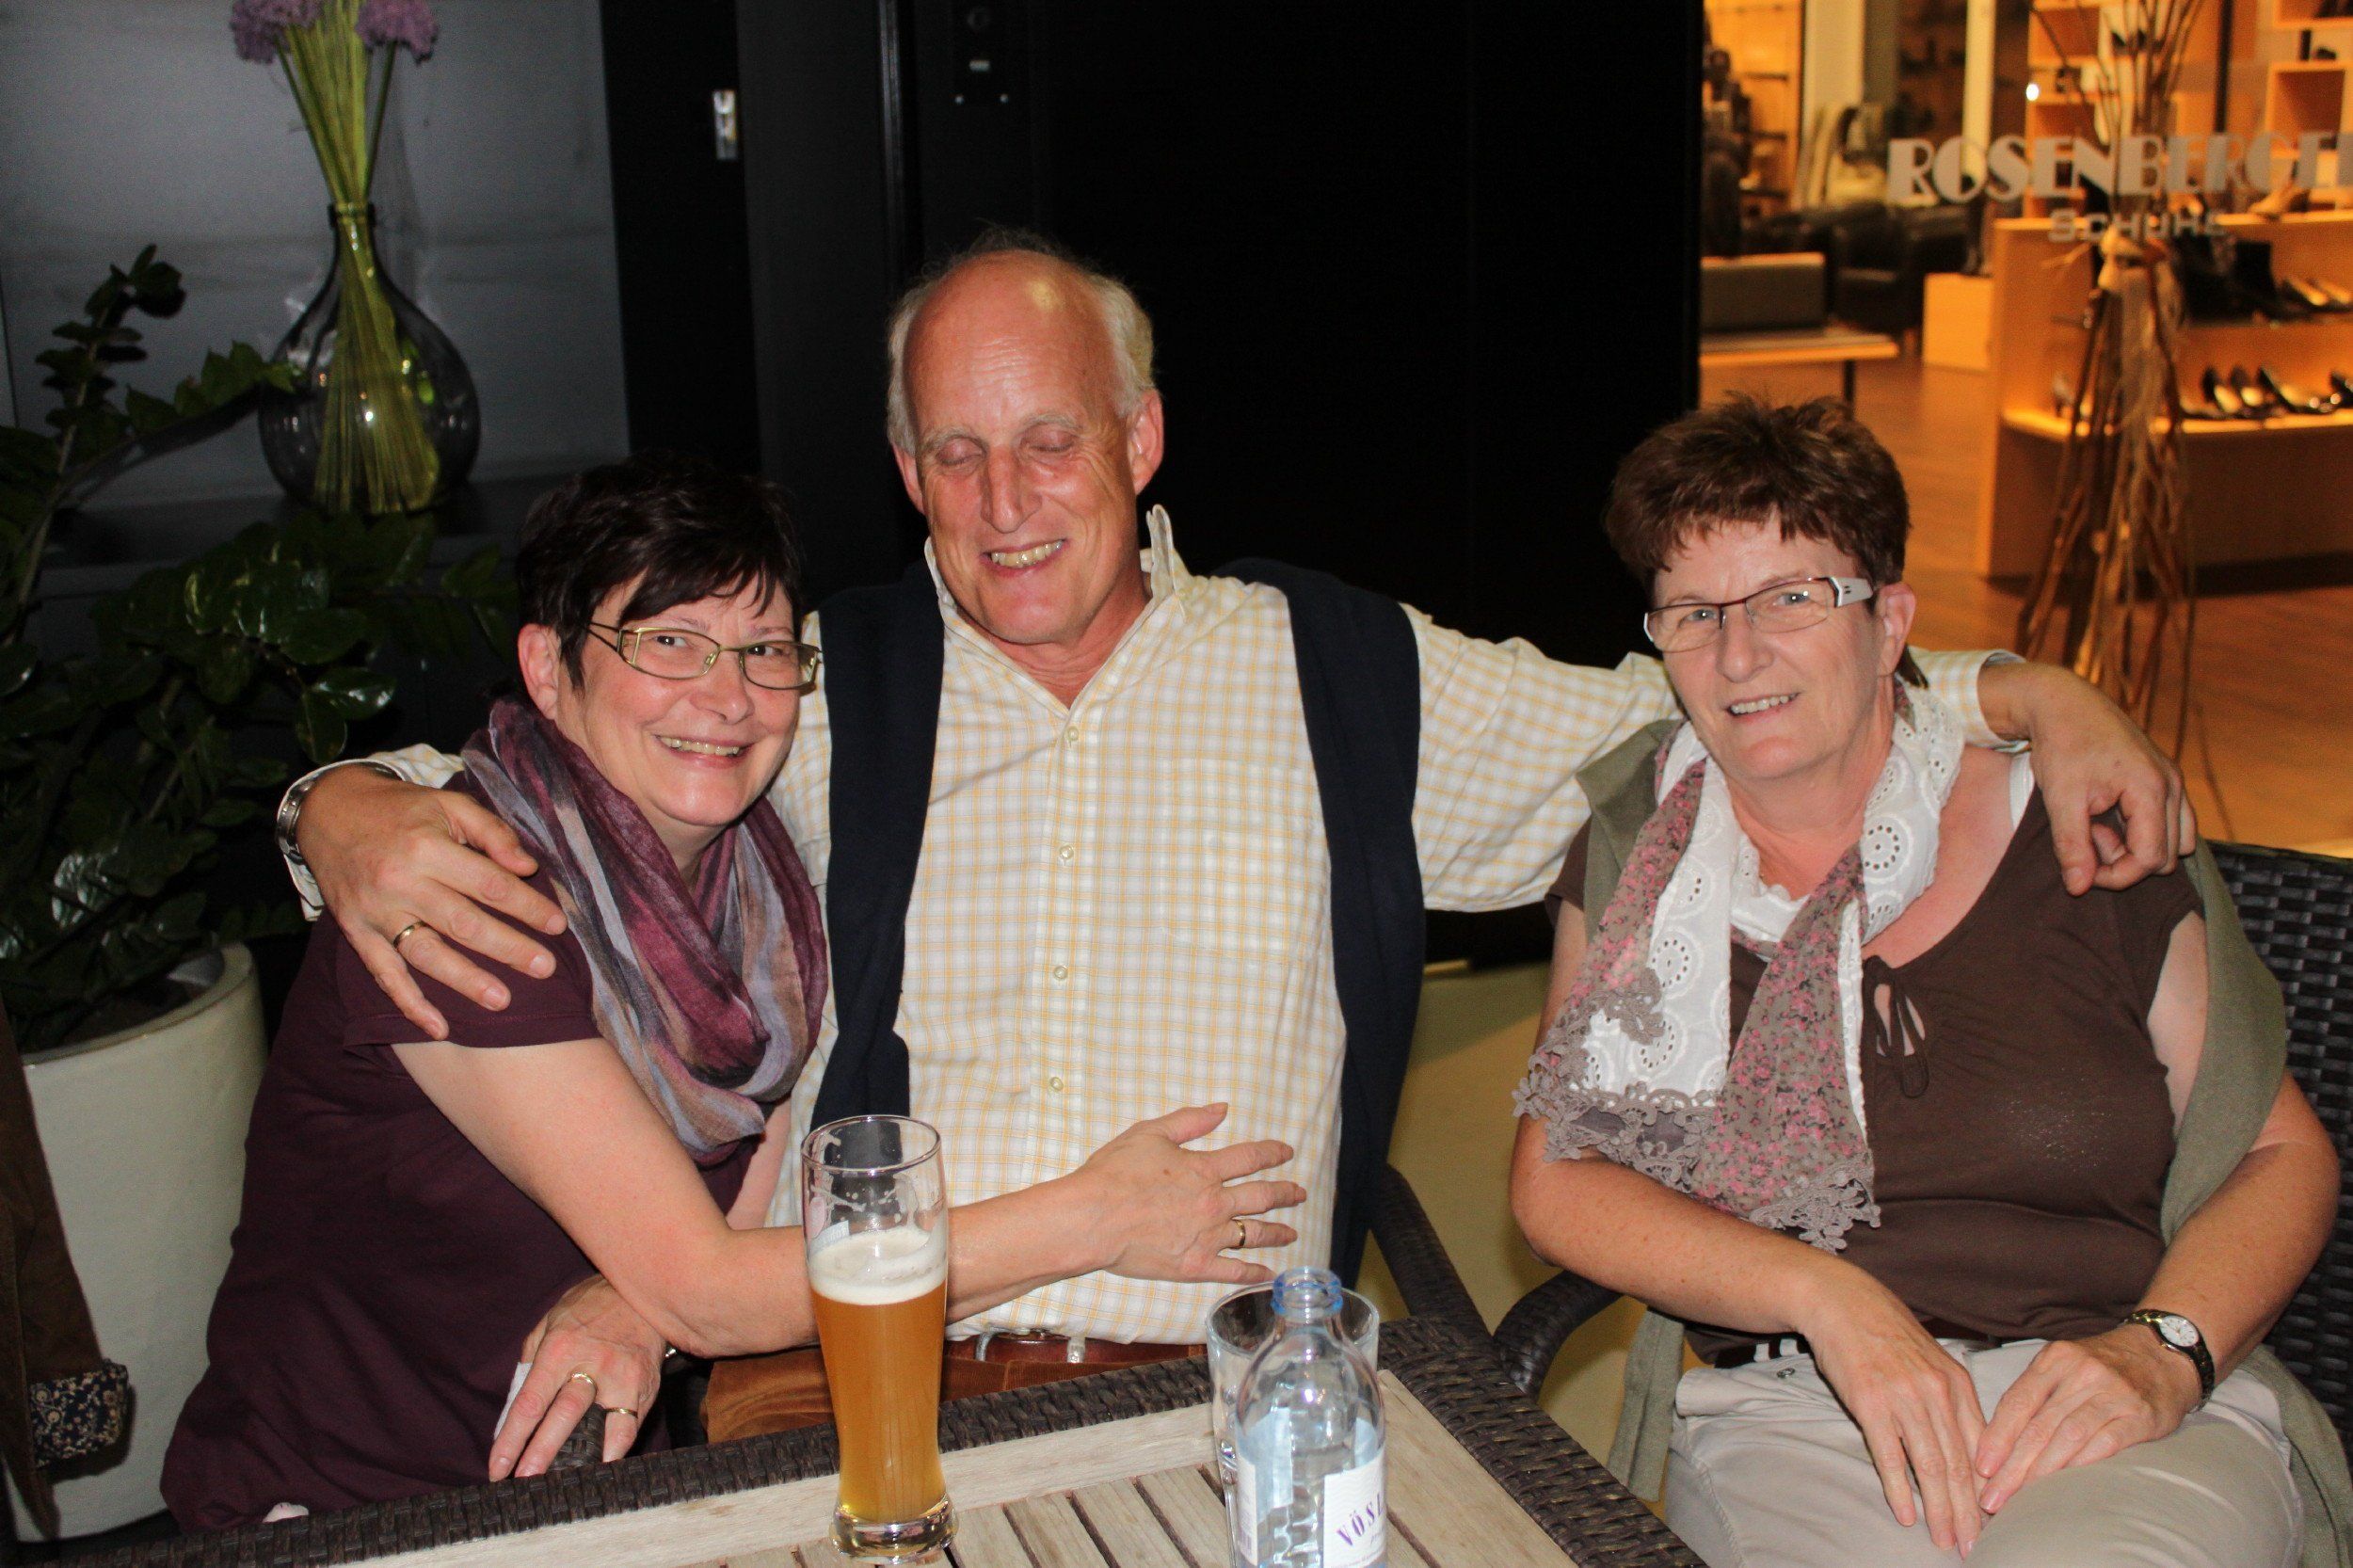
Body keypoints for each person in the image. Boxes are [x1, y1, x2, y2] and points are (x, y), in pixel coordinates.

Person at [276, 232, 2194, 1432]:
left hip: (1222, 1396)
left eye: (1051, 439)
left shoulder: (1344, 674)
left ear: (1141, 439)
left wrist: (2017, 684)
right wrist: (336, 807)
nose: (1006, 500)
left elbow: (1718, 695)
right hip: (846, 1376)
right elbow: (565, 766)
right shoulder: (814, 688)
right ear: (906, 473)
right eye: (956, 452)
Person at [159, 455, 1305, 1528]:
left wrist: (635, 1300)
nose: (727, 695)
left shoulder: (765, 900)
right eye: (668, 641)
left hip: (607, 1502)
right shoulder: (466, 901)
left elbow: (735, 1201)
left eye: (762, 650)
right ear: (548, 670)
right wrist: (1097, 1215)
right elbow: (708, 1289)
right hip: (358, 1506)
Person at [1511, 396, 2347, 1568]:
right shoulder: (1636, 850)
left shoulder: (2078, 827)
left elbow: (2278, 1153)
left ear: (1889, 621)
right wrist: (1829, 1298)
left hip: (2112, 1390)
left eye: (1791, 598)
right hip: (1804, 1414)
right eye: (1695, 614)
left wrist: (2162, 1352)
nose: (1738, 655)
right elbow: (1559, 1180)